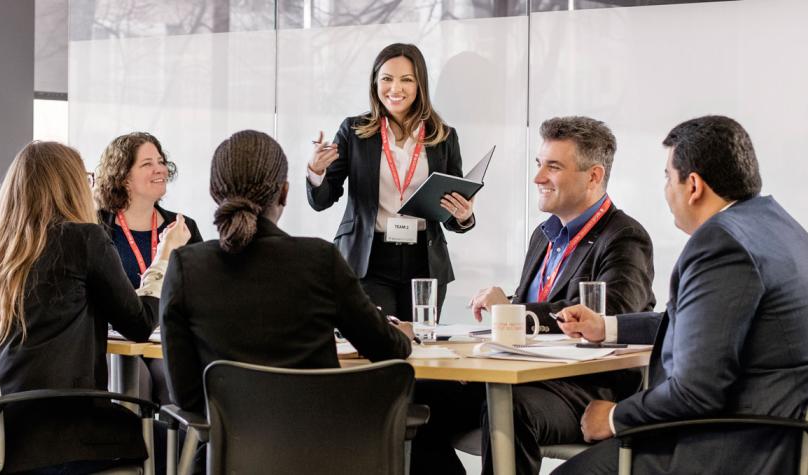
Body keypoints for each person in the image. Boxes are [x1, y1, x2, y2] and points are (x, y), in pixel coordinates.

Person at [554, 115, 808, 474]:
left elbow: (696, 391)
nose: (665, 190)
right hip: (777, 435)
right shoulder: (778, 226)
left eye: (666, 177)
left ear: (693, 185)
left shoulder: (721, 243)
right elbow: (700, 323)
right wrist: (606, 327)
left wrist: (613, 417)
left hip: (729, 446)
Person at [411, 116, 656, 475]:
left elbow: (614, 314)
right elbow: (540, 306)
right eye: (539, 165)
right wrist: (508, 310)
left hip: (585, 388)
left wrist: (513, 310)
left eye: (553, 167)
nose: (538, 178)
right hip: (522, 375)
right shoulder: (544, 234)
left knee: (510, 409)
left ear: (594, 176)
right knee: (416, 398)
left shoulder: (624, 237)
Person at [0, 141, 190, 474]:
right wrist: (164, 258)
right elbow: (141, 322)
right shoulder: (83, 239)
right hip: (58, 437)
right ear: (70, 186)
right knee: (181, 441)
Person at [161, 130, 413, 414]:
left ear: (214, 193)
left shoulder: (186, 267)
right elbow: (388, 350)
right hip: (330, 450)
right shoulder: (320, 259)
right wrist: (402, 334)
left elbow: (185, 395)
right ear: (284, 192)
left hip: (230, 455)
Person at [306, 43, 475, 322]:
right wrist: (316, 171)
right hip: (369, 258)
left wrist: (464, 215)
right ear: (375, 83)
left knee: (422, 345)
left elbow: (453, 213)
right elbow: (322, 200)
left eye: (406, 80)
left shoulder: (443, 136)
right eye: (386, 79)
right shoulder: (354, 130)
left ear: (419, 84)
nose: (395, 89)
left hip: (425, 259)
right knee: (376, 346)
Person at [93, 131, 203, 405]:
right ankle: (135, 449)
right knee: (133, 381)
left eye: (161, 161)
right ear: (123, 177)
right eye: (147, 164)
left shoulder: (183, 227)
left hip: (165, 344)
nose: (160, 169)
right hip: (115, 345)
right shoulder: (96, 227)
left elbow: (199, 294)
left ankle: (177, 449)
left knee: (174, 381)